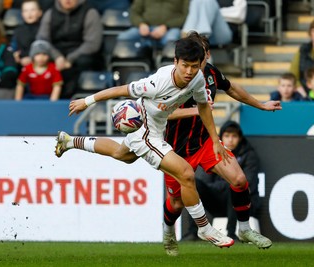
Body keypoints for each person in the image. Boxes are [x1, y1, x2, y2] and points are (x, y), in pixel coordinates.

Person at [55, 37, 236, 252]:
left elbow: (204, 106)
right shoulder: (156, 83)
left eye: (194, 66)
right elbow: (120, 90)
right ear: (175, 61)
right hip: (146, 132)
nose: (188, 71)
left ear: (200, 64)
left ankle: (69, 141)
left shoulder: (197, 78)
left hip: (156, 127)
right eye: (184, 65)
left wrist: (215, 140)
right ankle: (204, 227)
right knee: (186, 174)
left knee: (123, 154)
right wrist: (87, 101)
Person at [161, 32, 280, 256]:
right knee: (176, 203)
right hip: (175, 150)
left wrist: (261, 105)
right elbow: (162, 113)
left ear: (206, 55)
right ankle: (168, 233)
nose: (195, 66)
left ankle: (244, 230)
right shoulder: (172, 80)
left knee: (239, 179)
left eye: (201, 57)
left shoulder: (211, 73)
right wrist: (195, 110)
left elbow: (232, 88)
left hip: (205, 142)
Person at [182, 120, 262, 241]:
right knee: (195, 184)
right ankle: (193, 233)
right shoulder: (213, 152)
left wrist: (226, 184)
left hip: (244, 204)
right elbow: (207, 183)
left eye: (234, 136)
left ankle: (231, 233)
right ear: (221, 137)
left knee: (235, 186)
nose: (230, 139)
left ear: (240, 138)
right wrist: (225, 184)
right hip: (218, 202)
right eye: (227, 135)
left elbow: (247, 184)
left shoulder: (249, 155)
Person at [36, 0, 104, 99]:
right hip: (56, 56)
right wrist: (57, 57)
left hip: (80, 56)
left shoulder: (90, 12)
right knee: (40, 59)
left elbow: (93, 44)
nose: (67, 0)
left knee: (84, 61)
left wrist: (70, 59)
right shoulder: (50, 13)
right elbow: (42, 40)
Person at [117, 0, 189, 49]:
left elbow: (186, 16)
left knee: (171, 40)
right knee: (123, 37)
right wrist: (141, 24)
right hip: (146, 27)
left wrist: (166, 26)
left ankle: (169, 67)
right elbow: (134, 12)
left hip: (170, 29)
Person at [11, 0, 43, 67]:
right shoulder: (17, 31)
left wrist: (32, 58)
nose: (29, 14)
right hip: (21, 64)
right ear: (22, 14)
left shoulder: (44, 29)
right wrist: (15, 55)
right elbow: (13, 48)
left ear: (40, 12)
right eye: (25, 11)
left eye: (33, 10)